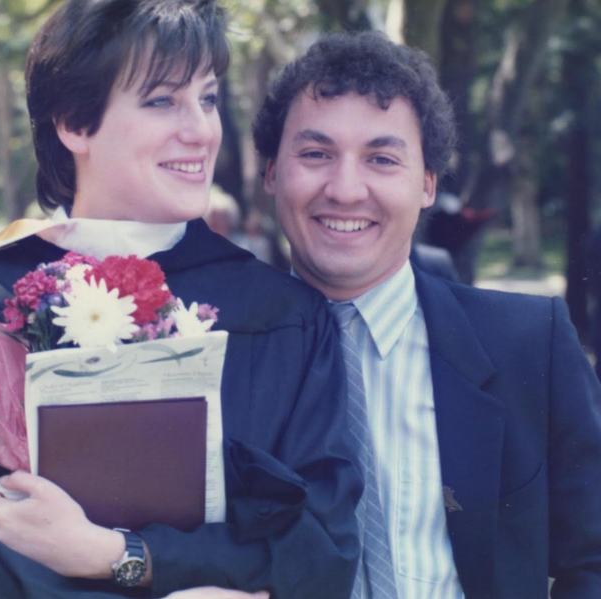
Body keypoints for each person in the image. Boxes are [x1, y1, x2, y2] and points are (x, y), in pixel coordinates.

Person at [0, 2, 361, 598]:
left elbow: (322, 553)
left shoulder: (283, 316)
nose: (201, 130)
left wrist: (121, 555)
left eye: (207, 99)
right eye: (162, 100)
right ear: (74, 123)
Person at [253, 31, 601, 599]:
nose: (345, 189)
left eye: (382, 159)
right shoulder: (219, 351)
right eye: (315, 154)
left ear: (427, 185)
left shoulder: (529, 344)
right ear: (271, 173)